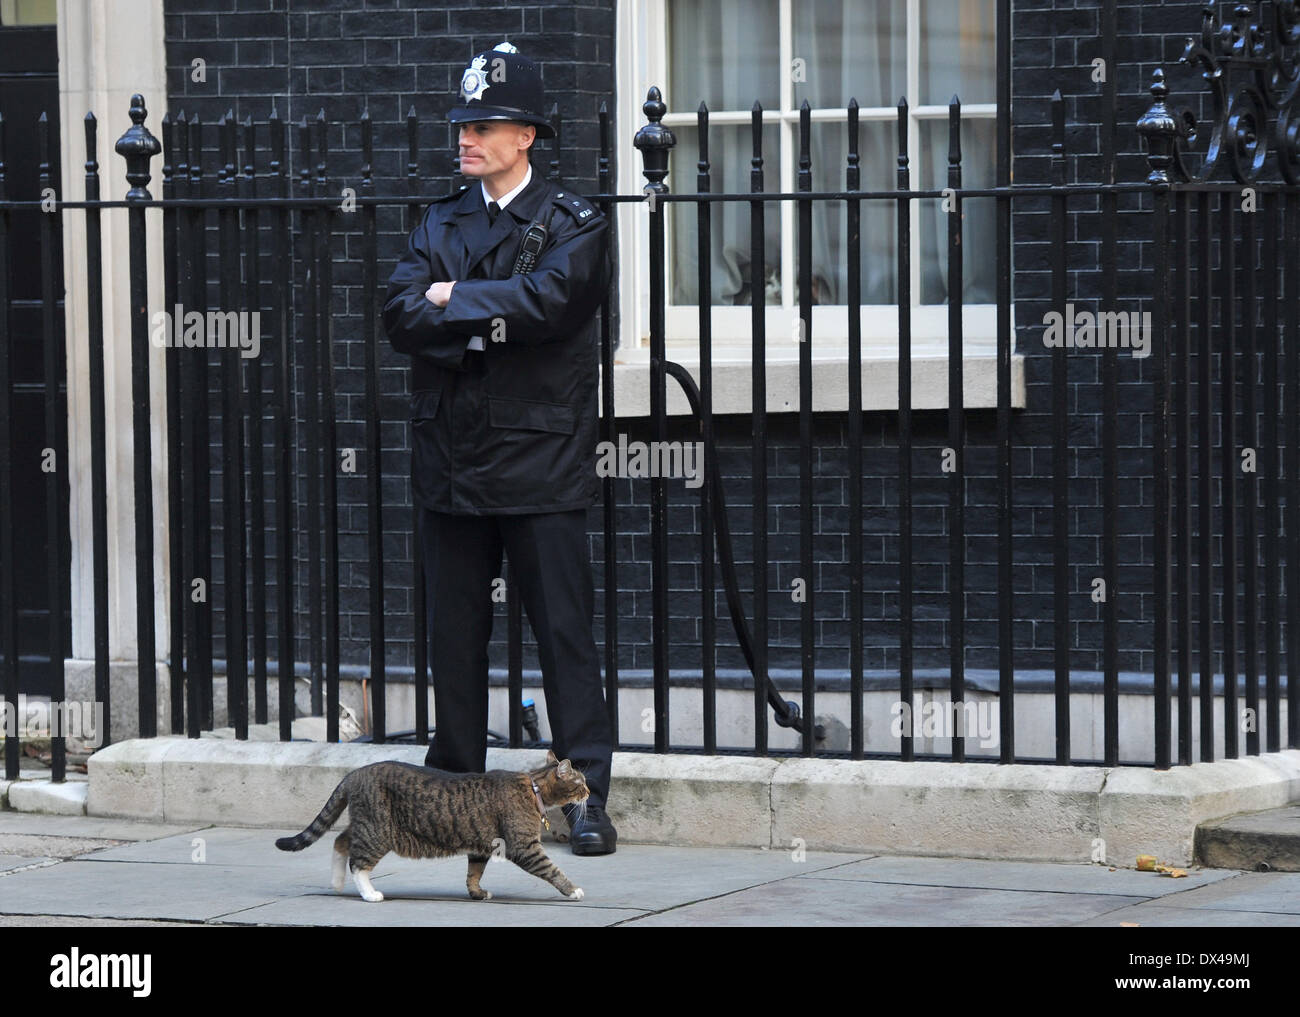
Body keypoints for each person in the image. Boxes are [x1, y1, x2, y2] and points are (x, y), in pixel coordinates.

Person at [382, 42, 616, 854]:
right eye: (463, 124)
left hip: (540, 458)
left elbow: (549, 306)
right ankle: (450, 792)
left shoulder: (575, 223)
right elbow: (398, 315)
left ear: (527, 136)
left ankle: (583, 795)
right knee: (452, 635)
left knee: (563, 634)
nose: (466, 138)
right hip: (451, 457)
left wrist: (453, 299)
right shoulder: (440, 218)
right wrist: (476, 317)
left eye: (483, 125)